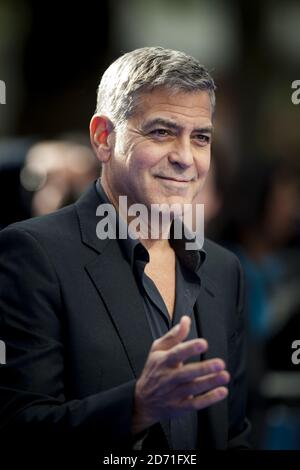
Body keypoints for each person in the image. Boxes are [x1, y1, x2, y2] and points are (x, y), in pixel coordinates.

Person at [0, 47, 250, 455]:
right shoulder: (32, 255)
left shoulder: (224, 269)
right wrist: (136, 407)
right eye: (161, 132)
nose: (185, 158)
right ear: (103, 138)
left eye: (200, 138)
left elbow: (233, 433)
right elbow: (17, 430)